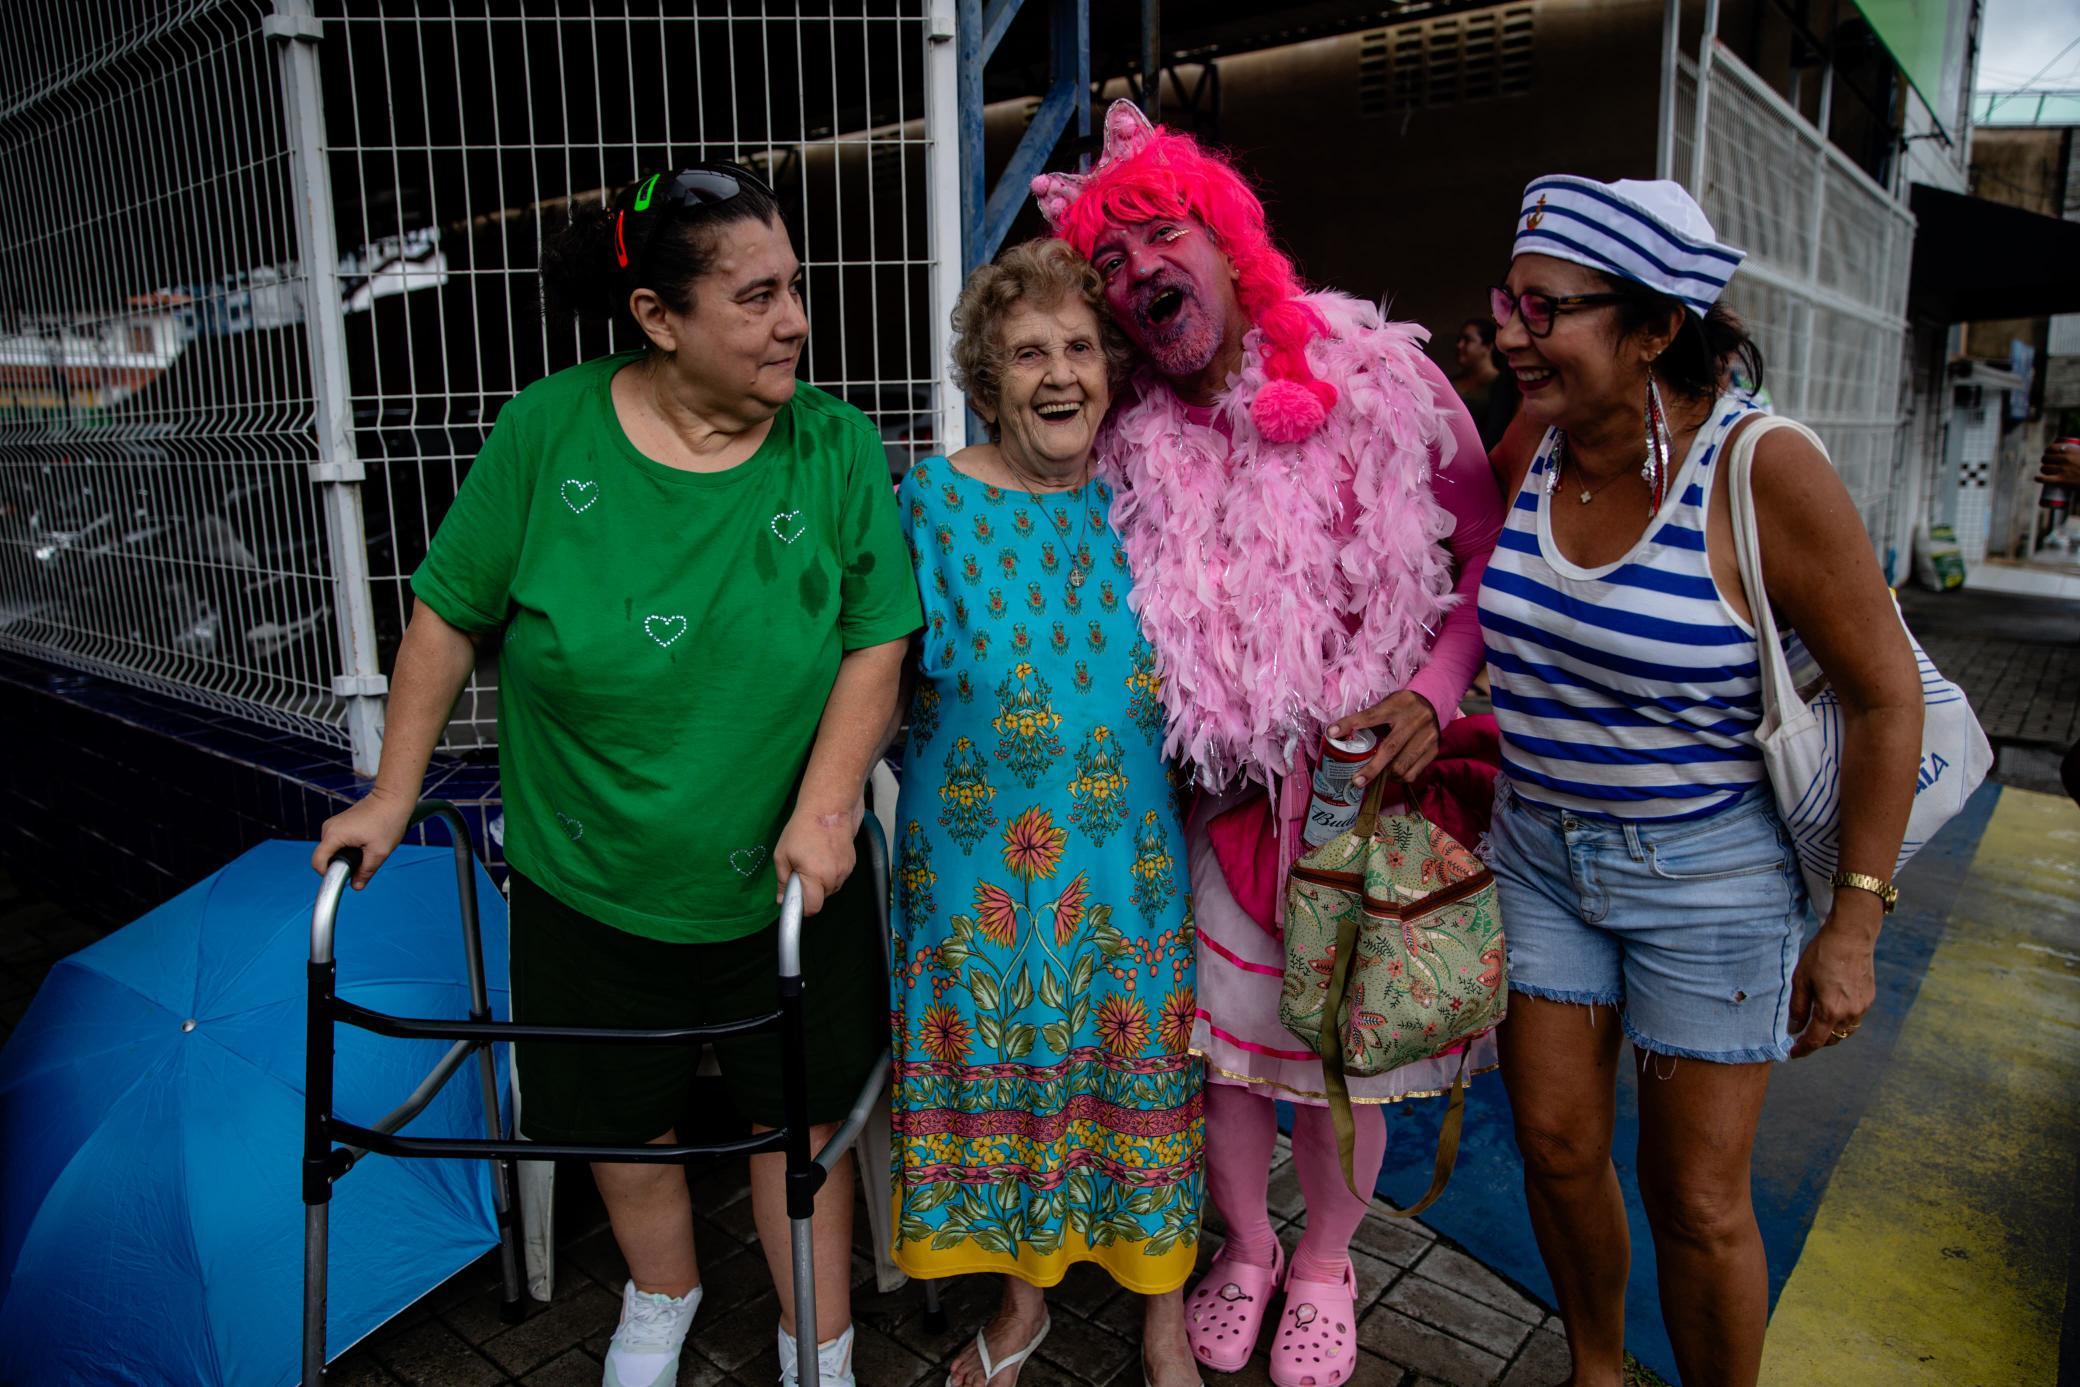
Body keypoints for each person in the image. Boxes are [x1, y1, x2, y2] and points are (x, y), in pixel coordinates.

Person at [311, 164, 922, 1387]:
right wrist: (391, 790)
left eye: (793, 288)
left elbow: (877, 631)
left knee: (793, 1117)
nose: (795, 319)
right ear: (656, 317)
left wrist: (829, 802)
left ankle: (819, 1336)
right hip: (585, 872)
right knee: (614, 1110)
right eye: (754, 298)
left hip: (785, 876)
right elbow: (444, 616)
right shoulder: (546, 431)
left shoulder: (836, 444)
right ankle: (662, 1292)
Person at [1034, 102, 1503, 1387]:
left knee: (1342, 1060)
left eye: (1159, 239)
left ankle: (1326, 1266)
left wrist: (1431, 688)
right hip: (1227, 794)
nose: (1138, 278)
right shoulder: (1132, 432)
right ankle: (1244, 1250)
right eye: (1111, 267)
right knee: (1230, 1056)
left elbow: (1479, 557)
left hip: (1371, 785)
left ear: (1230, 242)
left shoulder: (1378, 377)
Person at [1477, 175, 1924, 1387]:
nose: (1512, 334)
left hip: (1708, 877)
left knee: (1697, 1198)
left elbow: (1886, 694)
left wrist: (1855, 919)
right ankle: (1597, 1370)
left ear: (1656, 325)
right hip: (1537, 855)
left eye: (1545, 309)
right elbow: (1483, 616)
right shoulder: (1535, 439)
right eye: (1509, 302)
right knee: (1557, 1146)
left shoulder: (1763, 468)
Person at [888, 238, 1204, 1387]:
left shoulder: (1151, 507)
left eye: (1080, 348)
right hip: (977, 876)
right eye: (1027, 353)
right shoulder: (926, 502)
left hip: (1128, 869)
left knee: (1143, 1077)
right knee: (1010, 1065)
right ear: (985, 380)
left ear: (1112, 373)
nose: (1058, 373)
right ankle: (1022, 1309)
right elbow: (866, 676)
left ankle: (1161, 1318)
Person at [1453, 316, 1520, 450]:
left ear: (1488, 346)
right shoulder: (1451, 382)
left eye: (1468, 340)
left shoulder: (1503, 386)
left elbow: (1496, 434)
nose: (1460, 345)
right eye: (1459, 340)